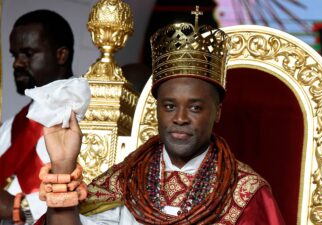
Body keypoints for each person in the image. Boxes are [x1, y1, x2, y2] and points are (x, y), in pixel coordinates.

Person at [35, 18, 285, 225]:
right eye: (169, 106)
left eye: (196, 107)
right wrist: (63, 165)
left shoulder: (245, 192)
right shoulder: (126, 180)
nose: (180, 118)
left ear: (217, 111)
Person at [0, 9, 74, 225]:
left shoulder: (85, 115)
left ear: (61, 55)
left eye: (28, 54)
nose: (17, 63)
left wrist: (19, 207)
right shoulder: (11, 126)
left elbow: (92, 194)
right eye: (15, 55)